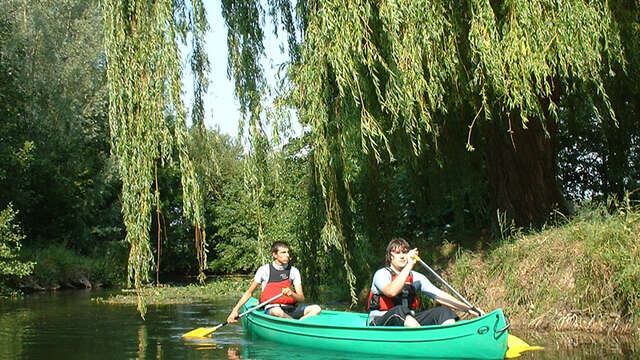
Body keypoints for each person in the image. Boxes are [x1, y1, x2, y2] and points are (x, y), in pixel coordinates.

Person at [368, 237, 484, 327]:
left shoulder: (417, 277)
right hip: (381, 321)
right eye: (398, 253)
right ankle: (424, 343)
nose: (402, 256)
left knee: (444, 312)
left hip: (409, 321)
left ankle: (448, 341)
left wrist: (469, 309)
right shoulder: (381, 274)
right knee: (399, 311)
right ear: (390, 257)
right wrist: (409, 265)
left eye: (405, 252)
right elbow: (391, 292)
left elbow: (440, 296)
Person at [226, 241, 321, 323]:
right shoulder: (264, 270)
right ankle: (295, 324)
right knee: (277, 311)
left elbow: (301, 298)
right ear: (274, 255)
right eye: (283, 252)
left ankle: (298, 323)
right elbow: (249, 293)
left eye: (288, 252)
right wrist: (235, 310)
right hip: (272, 309)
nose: (287, 255)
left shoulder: (294, 271)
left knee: (316, 308)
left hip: (290, 308)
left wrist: (291, 294)